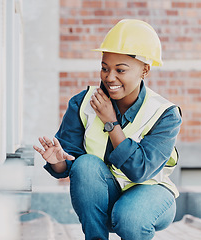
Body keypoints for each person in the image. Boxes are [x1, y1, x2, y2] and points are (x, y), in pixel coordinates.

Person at [33, 19, 182, 240]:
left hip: (150, 195)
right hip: (105, 197)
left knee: (131, 218)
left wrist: (111, 123)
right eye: (104, 68)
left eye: (120, 70)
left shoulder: (165, 114)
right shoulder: (82, 103)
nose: (109, 77)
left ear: (145, 70)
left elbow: (139, 170)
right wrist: (58, 162)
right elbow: (74, 167)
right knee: (85, 165)